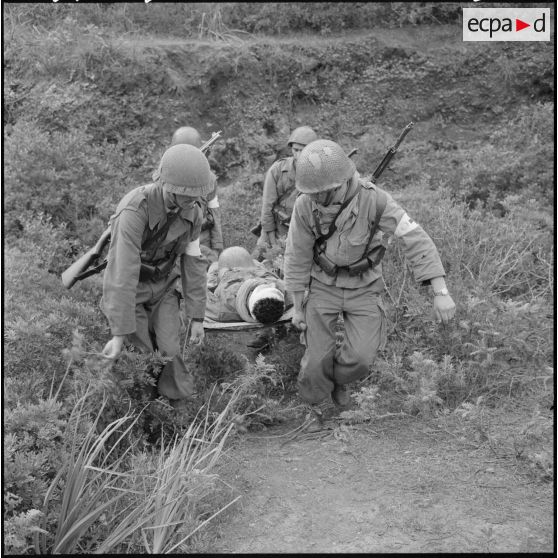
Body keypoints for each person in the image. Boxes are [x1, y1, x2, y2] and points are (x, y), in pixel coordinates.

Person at [283, 139, 456, 415]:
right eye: (310, 193)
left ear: (337, 185)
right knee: (316, 359)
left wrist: (440, 292)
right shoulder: (305, 205)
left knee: (361, 357)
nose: (312, 198)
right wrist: (296, 305)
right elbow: (296, 254)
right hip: (322, 286)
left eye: (319, 193)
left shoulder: (375, 200)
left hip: (363, 286)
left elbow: (416, 239)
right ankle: (313, 406)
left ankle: (339, 380)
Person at [101, 143, 211, 400]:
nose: (193, 201)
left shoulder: (193, 212)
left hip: (163, 287)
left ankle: (176, 409)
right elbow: (122, 273)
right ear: (168, 188)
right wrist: (118, 334)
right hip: (134, 289)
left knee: (170, 351)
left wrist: (197, 317)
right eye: (187, 195)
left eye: (196, 195)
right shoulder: (133, 211)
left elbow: (193, 264)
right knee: (142, 355)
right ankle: (141, 410)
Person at [253, 125, 318, 260]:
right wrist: (272, 241)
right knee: (255, 264)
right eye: (296, 150)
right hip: (276, 229)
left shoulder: (318, 173)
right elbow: (267, 208)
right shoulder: (277, 170)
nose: (299, 155)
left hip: (304, 233)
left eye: (303, 150)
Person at [169, 126, 224, 265]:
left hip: (201, 244)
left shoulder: (210, 179)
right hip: (172, 247)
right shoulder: (166, 178)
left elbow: (214, 215)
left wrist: (218, 248)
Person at [205, 246, 289, 325]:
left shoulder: (222, 310)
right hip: (255, 271)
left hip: (231, 273)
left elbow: (201, 300)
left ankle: (219, 271)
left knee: (215, 267)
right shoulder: (279, 291)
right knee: (258, 267)